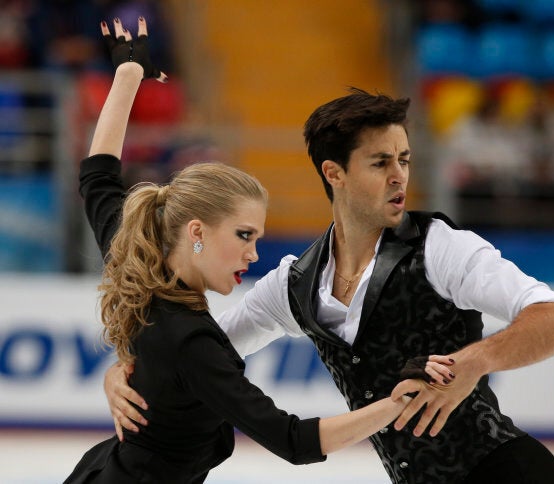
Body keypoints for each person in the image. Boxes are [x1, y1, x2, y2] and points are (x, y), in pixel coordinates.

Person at [104, 30, 554, 484]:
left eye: (405, 159)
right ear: (334, 173)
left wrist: (475, 361)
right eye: (380, 163)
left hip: (507, 472)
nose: (399, 175)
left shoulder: (440, 246)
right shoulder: (295, 285)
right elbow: (196, 350)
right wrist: (124, 370)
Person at [64, 17, 432, 484]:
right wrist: (397, 404)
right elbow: (294, 440)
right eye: (243, 236)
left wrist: (128, 75)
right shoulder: (192, 342)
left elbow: (97, 175)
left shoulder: (135, 256)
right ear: (197, 230)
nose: (254, 255)